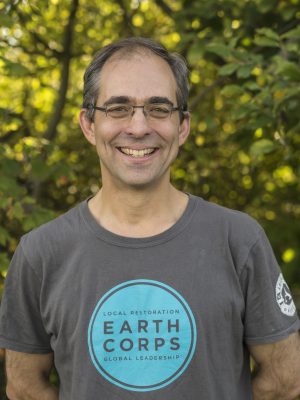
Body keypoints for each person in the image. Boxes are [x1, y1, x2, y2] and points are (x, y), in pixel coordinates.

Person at [0, 37, 300, 400]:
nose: (139, 127)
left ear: (183, 126)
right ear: (89, 124)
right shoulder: (41, 254)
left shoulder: (238, 239)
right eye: (118, 108)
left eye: (159, 108)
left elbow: (285, 380)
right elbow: (25, 387)